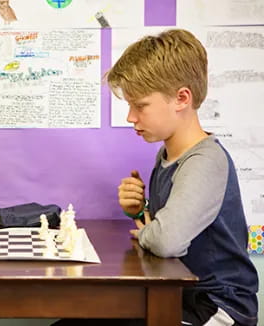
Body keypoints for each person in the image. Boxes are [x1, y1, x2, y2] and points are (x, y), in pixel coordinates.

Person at [110, 29, 258, 325]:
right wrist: (139, 211)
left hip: (216, 307)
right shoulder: (167, 156)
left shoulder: (205, 160)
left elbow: (167, 241)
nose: (130, 117)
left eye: (139, 105)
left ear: (181, 98)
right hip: (181, 293)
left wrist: (148, 230)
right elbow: (166, 227)